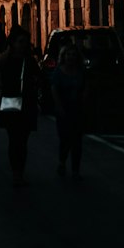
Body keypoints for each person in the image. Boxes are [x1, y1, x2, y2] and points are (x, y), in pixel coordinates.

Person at [0, 27, 41, 186]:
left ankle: (19, 172)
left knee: (23, 140)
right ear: (13, 43)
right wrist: (8, 50)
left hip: (27, 102)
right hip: (11, 100)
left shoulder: (29, 60)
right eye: (20, 42)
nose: (23, 45)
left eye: (25, 42)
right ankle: (16, 173)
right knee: (14, 139)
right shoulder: (6, 59)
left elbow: (38, 77)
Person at [49, 41, 87, 177]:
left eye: (73, 55)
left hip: (77, 110)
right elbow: (54, 89)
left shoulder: (80, 72)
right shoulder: (58, 72)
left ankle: (75, 170)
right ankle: (62, 161)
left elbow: (84, 89)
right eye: (68, 55)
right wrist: (59, 106)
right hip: (63, 110)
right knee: (65, 138)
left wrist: (83, 104)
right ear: (63, 56)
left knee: (77, 141)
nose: (71, 57)